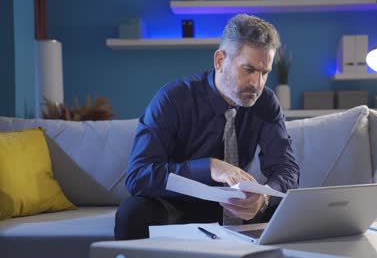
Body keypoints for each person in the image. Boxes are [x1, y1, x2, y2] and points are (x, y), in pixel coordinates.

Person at [114, 14, 300, 240]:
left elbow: (287, 169)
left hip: (238, 208)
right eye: (249, 70)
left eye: (265, 73)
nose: (257, 84)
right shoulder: (172, 99)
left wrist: (264, 199)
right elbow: (138, 176)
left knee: (300, 214)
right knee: (132, 213)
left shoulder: (266, 102)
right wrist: (209, 167)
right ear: (220, 61)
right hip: (177, 206)